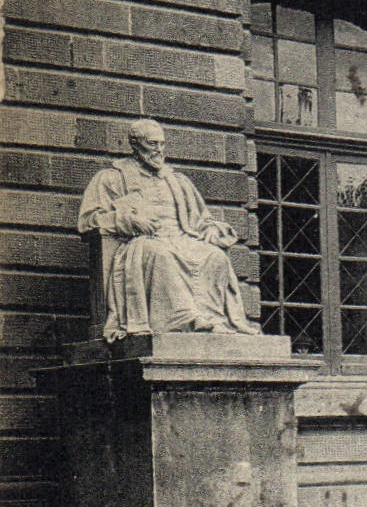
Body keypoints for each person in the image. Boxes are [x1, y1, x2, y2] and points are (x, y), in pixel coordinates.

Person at [78, 119, 259, 342]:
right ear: (135, 144)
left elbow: (201, 220)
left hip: (182, 239)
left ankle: (212, 319)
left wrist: (212, 230)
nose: (159, 150)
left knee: (215, 256)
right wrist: (128, 220)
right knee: (160, 254)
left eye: (162, 144)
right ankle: (185, 320)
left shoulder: (177, 180)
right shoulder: (111, 178)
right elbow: (88, 221)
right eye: (152, 144)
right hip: (143, 241)